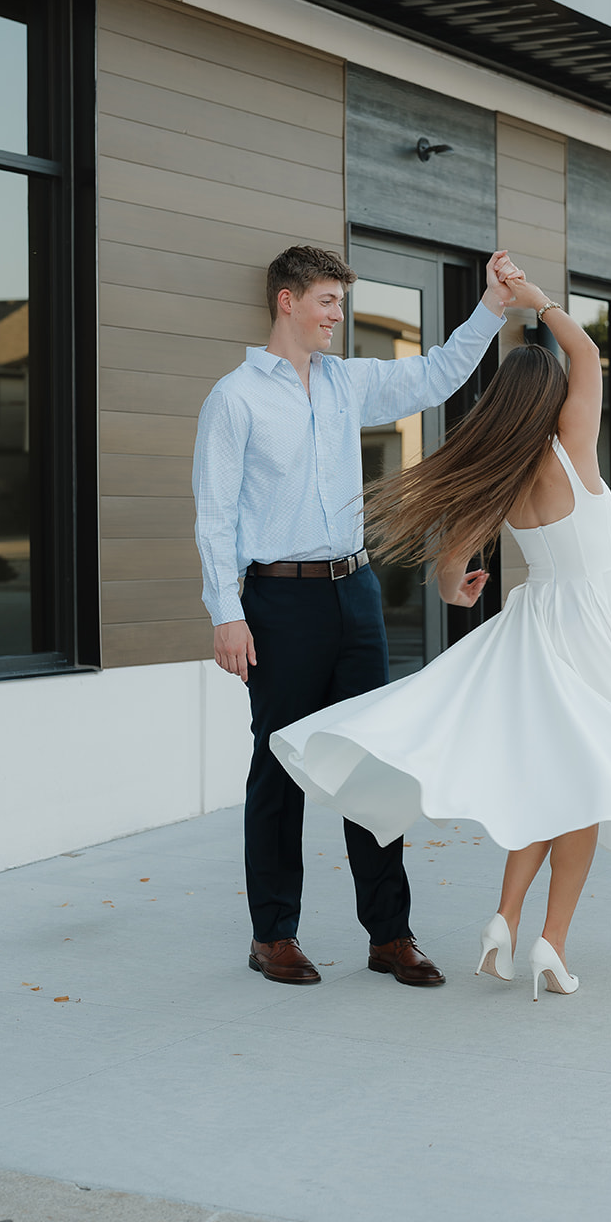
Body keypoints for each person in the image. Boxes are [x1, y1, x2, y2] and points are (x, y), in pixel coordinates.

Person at [271, 276, 611, 1002]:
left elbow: (454, 564)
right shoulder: (570, 446)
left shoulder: (500, 472)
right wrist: (536, 299)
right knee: (585, 787)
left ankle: (504, 919)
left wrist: (455, 589)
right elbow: (587, 354)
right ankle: (549, 943)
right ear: (549, 400)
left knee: (550, 785)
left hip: (536, 628)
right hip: (595, 627)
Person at [192, 243, 520, 988]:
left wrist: (491, 307)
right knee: (278, 766)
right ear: (286, 300)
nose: (338, 316)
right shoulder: (235, 397)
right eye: (328, 302)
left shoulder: (348, 384)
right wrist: (227, 613)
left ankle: (389, 936)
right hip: (275, 600)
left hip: (354, 592)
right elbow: (213, 516)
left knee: (373, 763)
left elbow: (437, 373)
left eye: (340, 302)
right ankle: (273, 934)